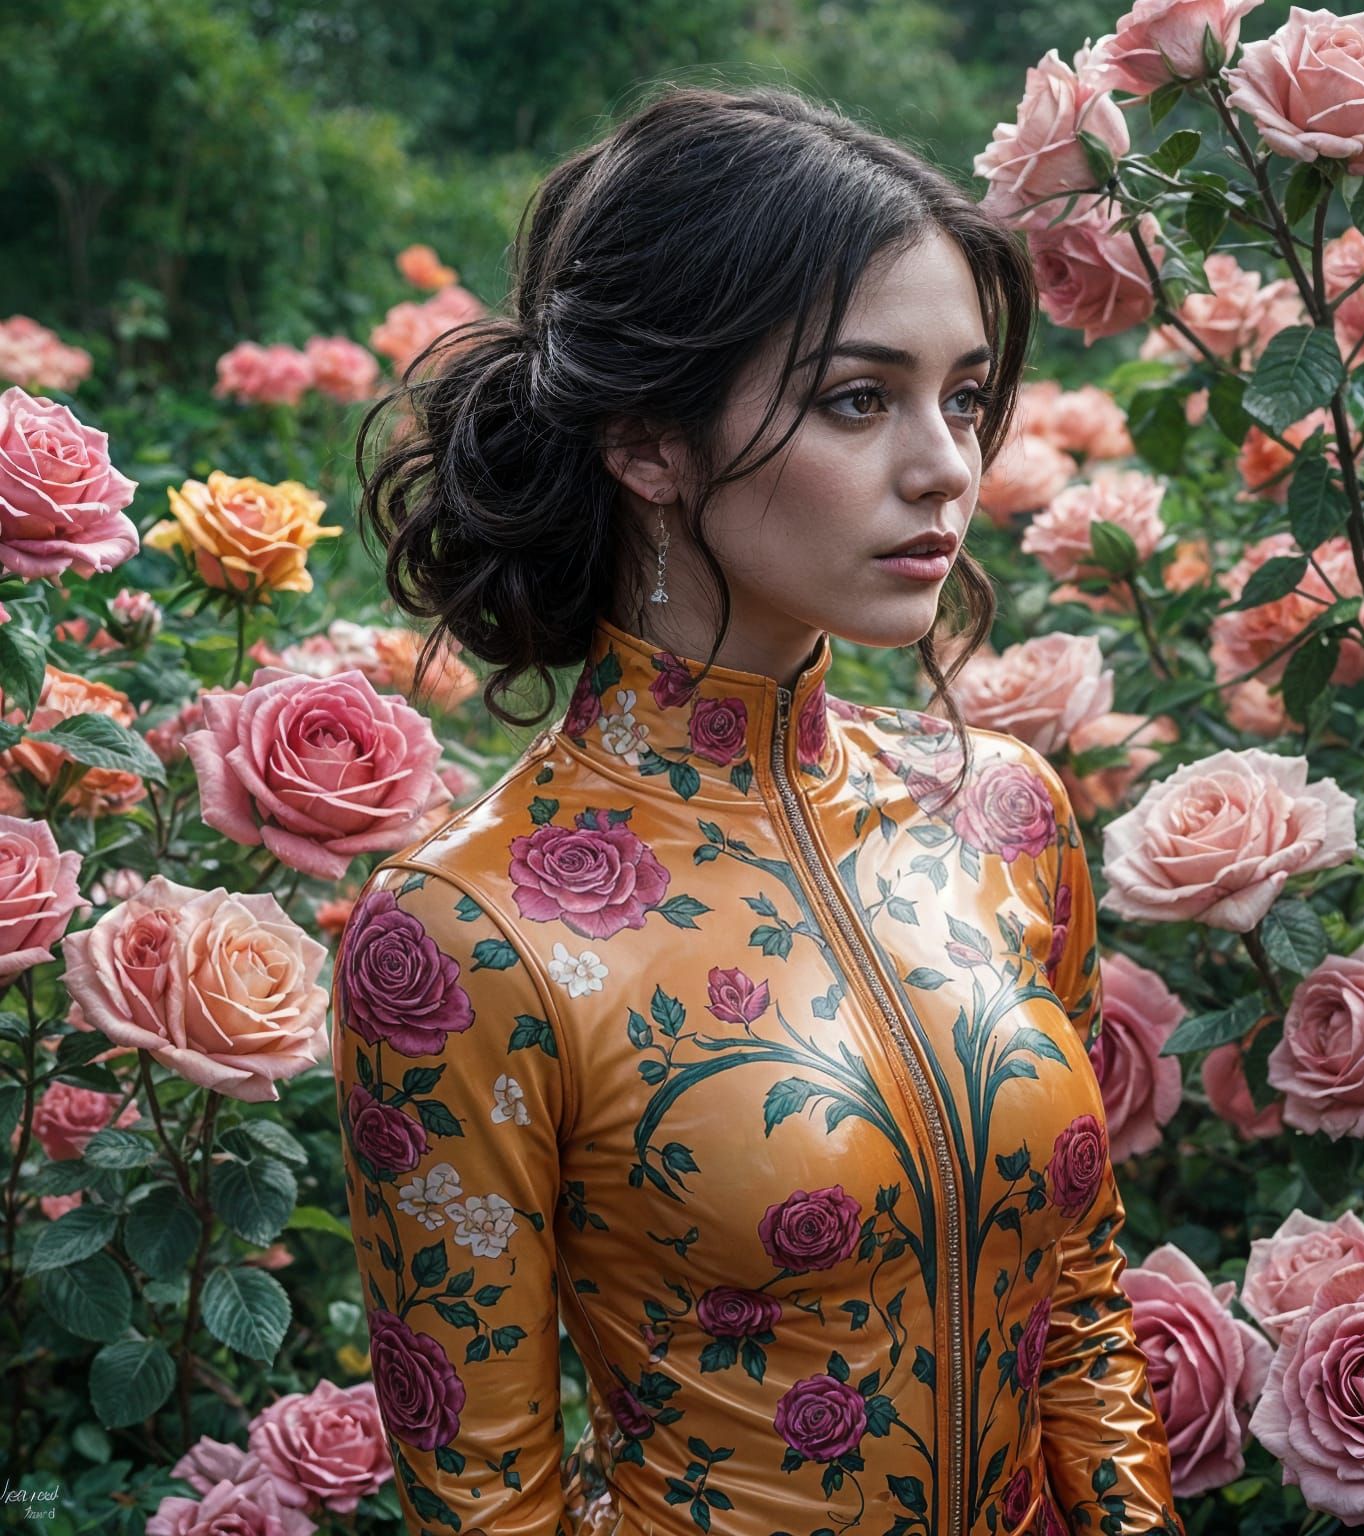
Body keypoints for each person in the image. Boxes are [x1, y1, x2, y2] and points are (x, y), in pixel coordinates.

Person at [331, 80, 1182, 1536]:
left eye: (965, 396)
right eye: (862, 399)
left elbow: (1083, 1311)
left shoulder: (1005, 818)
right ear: (648, 443)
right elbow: (485, 1502)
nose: (948, 467)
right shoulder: (467, 936)